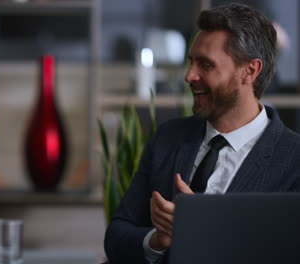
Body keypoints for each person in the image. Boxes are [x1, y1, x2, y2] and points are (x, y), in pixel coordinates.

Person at [104, 3, 300, 264]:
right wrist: (157, 239)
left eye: (205, 65)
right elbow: (117, 236)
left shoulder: (293, 159)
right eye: (191, 62)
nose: (189, 75)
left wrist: (200, 231)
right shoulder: (168, 139)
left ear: (250, 70)